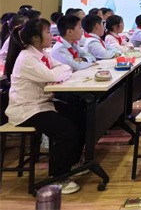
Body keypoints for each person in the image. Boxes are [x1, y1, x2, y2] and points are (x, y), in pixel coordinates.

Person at [4, 18, 83, 194]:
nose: (51, 35)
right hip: (27, 109)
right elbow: (52, 75)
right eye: (47, 32)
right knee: (66, 130)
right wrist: (57, 74)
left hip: (42, 104)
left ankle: (72, 163)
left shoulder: (42, 54)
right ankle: (58, 177)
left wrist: (58, 73)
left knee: (78, 112)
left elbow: (64, 68)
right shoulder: (27, 58)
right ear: (35, 38)